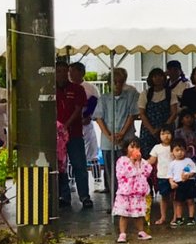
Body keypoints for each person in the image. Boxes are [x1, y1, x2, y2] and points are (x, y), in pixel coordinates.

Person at [95, 67, 139, 205]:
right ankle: (115, 202)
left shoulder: (131, 95)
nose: (117, 85)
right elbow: (98, 118)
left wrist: (122, 133)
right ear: (109, 83)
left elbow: (132, 115)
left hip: (126, 140)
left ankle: (129, 201)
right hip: (108, 142)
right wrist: (108, 135)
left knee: (128, 171)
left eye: (120, 82)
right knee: (110, 173)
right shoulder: (103, 98)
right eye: (114, 82)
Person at [55, 61, 92, 209]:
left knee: (79, 165)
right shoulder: (51, 89)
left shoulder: (77, 89)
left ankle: (84, 196)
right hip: (57, 136)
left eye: (65, 71)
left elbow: (79, 109)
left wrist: (66, 125)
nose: (62, 74)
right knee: (60, 167)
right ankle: (64, 195)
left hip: (74, 133)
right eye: (59, 71)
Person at [69, 62, 102, 191]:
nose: (70, 74)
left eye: (73, 71)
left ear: (81, 72)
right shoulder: (68, 87)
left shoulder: (90, 88)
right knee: (71, 154)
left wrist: (88, 116)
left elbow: (95, 104)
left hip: (86, 125)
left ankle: (97, 181)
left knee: (92, 153)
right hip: (72, 125)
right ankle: (71, 182)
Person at [113, 140, 153, 243]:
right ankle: (122, 233)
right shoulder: (122, 160)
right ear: (126, 148)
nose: (135, 149)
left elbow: (148, 171)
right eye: (132, 147)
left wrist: (139, 162)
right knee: (124, 214)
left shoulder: (142, 161)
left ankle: (141, 231)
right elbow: (123, 173)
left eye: (137, 147)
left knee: (138, 214)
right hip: (126, 192)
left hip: (138, 192)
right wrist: (132, 162)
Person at [138, 67, 177, 163]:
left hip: (166, 131)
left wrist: (163, 129)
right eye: (155, 76)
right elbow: (142, 114)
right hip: (148, 131)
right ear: (151, 79)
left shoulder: (170, 93)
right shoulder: (145, 94)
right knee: (148, 158)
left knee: (168, 156)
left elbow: (174, 113)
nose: (158, 78)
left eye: (160, 76)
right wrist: (152, 130)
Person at [149, 127, 176, 227]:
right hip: (162, 176)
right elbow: (152, 160)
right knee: (164, 197)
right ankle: (163, 217)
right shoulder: (157, 147)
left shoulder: (175, 146)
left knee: (175, 198)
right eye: (163, 134)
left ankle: (175, 217)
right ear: (159, 136)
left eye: (168, 133)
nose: (166, 136)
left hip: (174, 176)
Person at [168, 140, 196, 226]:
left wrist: (189, 175)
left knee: (190, 201)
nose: (180, 152)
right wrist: (171, 183)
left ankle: (191, 218)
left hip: (189, 183)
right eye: (177, 150)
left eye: (182, 150)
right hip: (178, 184)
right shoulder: (172, 164)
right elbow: (170, 175)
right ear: (172, 152)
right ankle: (179, 218)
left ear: (185, 150)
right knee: (179, 202)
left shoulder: (189, 161)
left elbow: (194, 171)